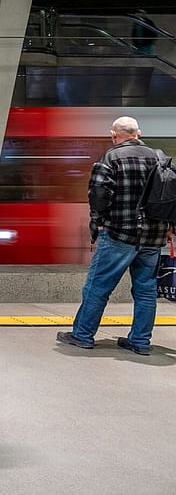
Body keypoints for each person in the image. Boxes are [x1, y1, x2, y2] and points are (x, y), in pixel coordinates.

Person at [57, 116, 171, 355]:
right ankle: (140, 341)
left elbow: (98, 194)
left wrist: (98, 221)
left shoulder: (110, 158)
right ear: (138, 133)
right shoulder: (159, 158)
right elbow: (171, 197)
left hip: (120, 234)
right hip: (153, 237)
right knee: (146, 291)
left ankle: (83, 335)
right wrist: (169, 227)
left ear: (113, 135)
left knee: (98, 286)